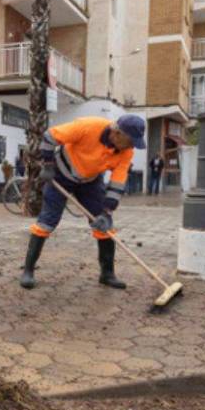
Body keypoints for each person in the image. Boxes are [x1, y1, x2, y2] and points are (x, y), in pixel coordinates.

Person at [19, 114, 145, 291]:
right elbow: (50, 136)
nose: (132, 146)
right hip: (60, 176)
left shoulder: (126, 152)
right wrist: (48, 165)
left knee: (105, 226)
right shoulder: (88, 127)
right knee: (47, 222)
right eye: (131, 141)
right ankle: (28, 271)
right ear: (117, 133)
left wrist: (107, 212)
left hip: (89, 182)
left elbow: (118, 182)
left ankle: (107, 274)